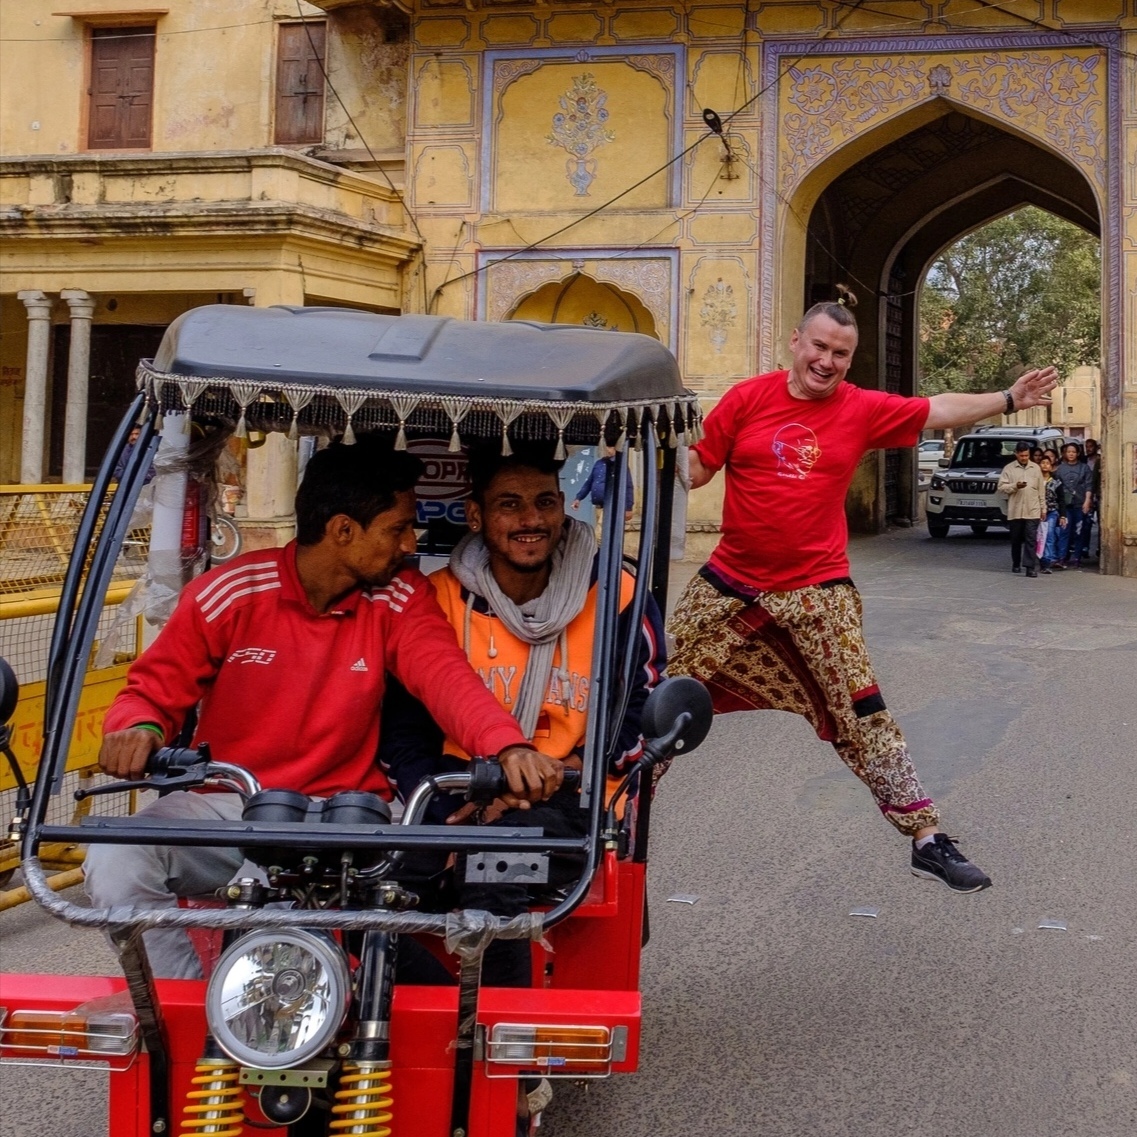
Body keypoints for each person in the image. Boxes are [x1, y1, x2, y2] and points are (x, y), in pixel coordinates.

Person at [85, 440, 563, 979]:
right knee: (114, 855)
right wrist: (136, 730)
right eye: (397, 529)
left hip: (348, 817)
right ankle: (185, 1005)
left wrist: (507, 745)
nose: (411, 544)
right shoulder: (229, 592)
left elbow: (448, 679)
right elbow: (152, 690)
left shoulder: (399, 597)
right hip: (233, 809)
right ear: (343, 531)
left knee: (305, 925)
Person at [667, 293, 1059, 893]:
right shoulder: (747, 399)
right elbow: (697, 468)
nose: (826, 361)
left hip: (817, 589)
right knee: (651, 695)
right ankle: (608, 824)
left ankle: (926, 837)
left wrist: (1008, 398)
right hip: (730, 583)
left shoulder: (860, 408)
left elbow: (938, 409)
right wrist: (653, 449)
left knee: (863, 710)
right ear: (796, 342)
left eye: (841, 354)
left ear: (851, 361)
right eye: (819, 347)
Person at [381, 441, 666, 985]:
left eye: (545, 503)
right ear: (476, 515)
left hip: (575, 796)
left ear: (564, 508)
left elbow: (642, 709)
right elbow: (401, 729)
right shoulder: (434, 599)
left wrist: (550, 778)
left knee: (494, 861)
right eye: (509, 504)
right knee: (361, 884)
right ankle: (419, 1015)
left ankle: (501, 1049)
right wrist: (444, 809)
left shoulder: (618, 592)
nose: (531, 520)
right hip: (455, 793)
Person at [997, 441, 1045, 577]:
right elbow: (1001, 488)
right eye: (1021, 455)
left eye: (1026, 455)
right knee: (1016, 539)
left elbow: (1041, 490)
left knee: (1031, 538)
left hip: (1033, 509)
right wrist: (1015, 486)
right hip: (1016, 509)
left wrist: (1043, 508)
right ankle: (1016, 563)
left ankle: (1030, 567)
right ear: (1016, 454)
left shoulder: (1035, 468)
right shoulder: (1009, 469)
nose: (1024, 458)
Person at [1053, 441, 1093, 568]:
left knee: (1078, 531)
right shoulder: (1060, 469)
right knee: (1064, 531)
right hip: (1065, 506)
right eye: (1069, 452)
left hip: (1079, 504)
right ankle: (1061, 557)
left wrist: (1087, 501)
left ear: (1078, 453)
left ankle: (1077, 557)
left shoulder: (1084, 468)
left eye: (1073, 452)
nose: (1071, 454)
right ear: (1065, 453)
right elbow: (1055, 487)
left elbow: (1088, 485)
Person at [571, 445, 635, 523]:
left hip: (612, 506)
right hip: (599, 507)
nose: (605, 449)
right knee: (599, 531)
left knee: (600, 532)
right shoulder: (598, 463)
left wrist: (628, 508)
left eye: (608, 447)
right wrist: (578, 498)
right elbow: (589, 483)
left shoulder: (620, 465)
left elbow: (628, 486)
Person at [1038, 453, 1068, 573]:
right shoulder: (1036, 480)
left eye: (1047, 463)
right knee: (1039, 537)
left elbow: (1061, 499)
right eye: (1042, 463)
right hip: (1037, 512)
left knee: (1049, 535)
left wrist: (1063, 515)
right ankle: (1039, 558)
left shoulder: (1056, 482)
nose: (1045, 466)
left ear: (1051, 466)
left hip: (1051, 512)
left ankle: (1047, 561)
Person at [1084, 437, 1101, 560]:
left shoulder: (1100, 460)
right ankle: (1084, 548)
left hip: (1098, 495)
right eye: (1087, 446)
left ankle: (1100, 547)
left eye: (1091, 446)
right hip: (1086, 495)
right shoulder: (1083, 461)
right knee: (1086, 523)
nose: (1089, 449)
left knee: (1101, 523)